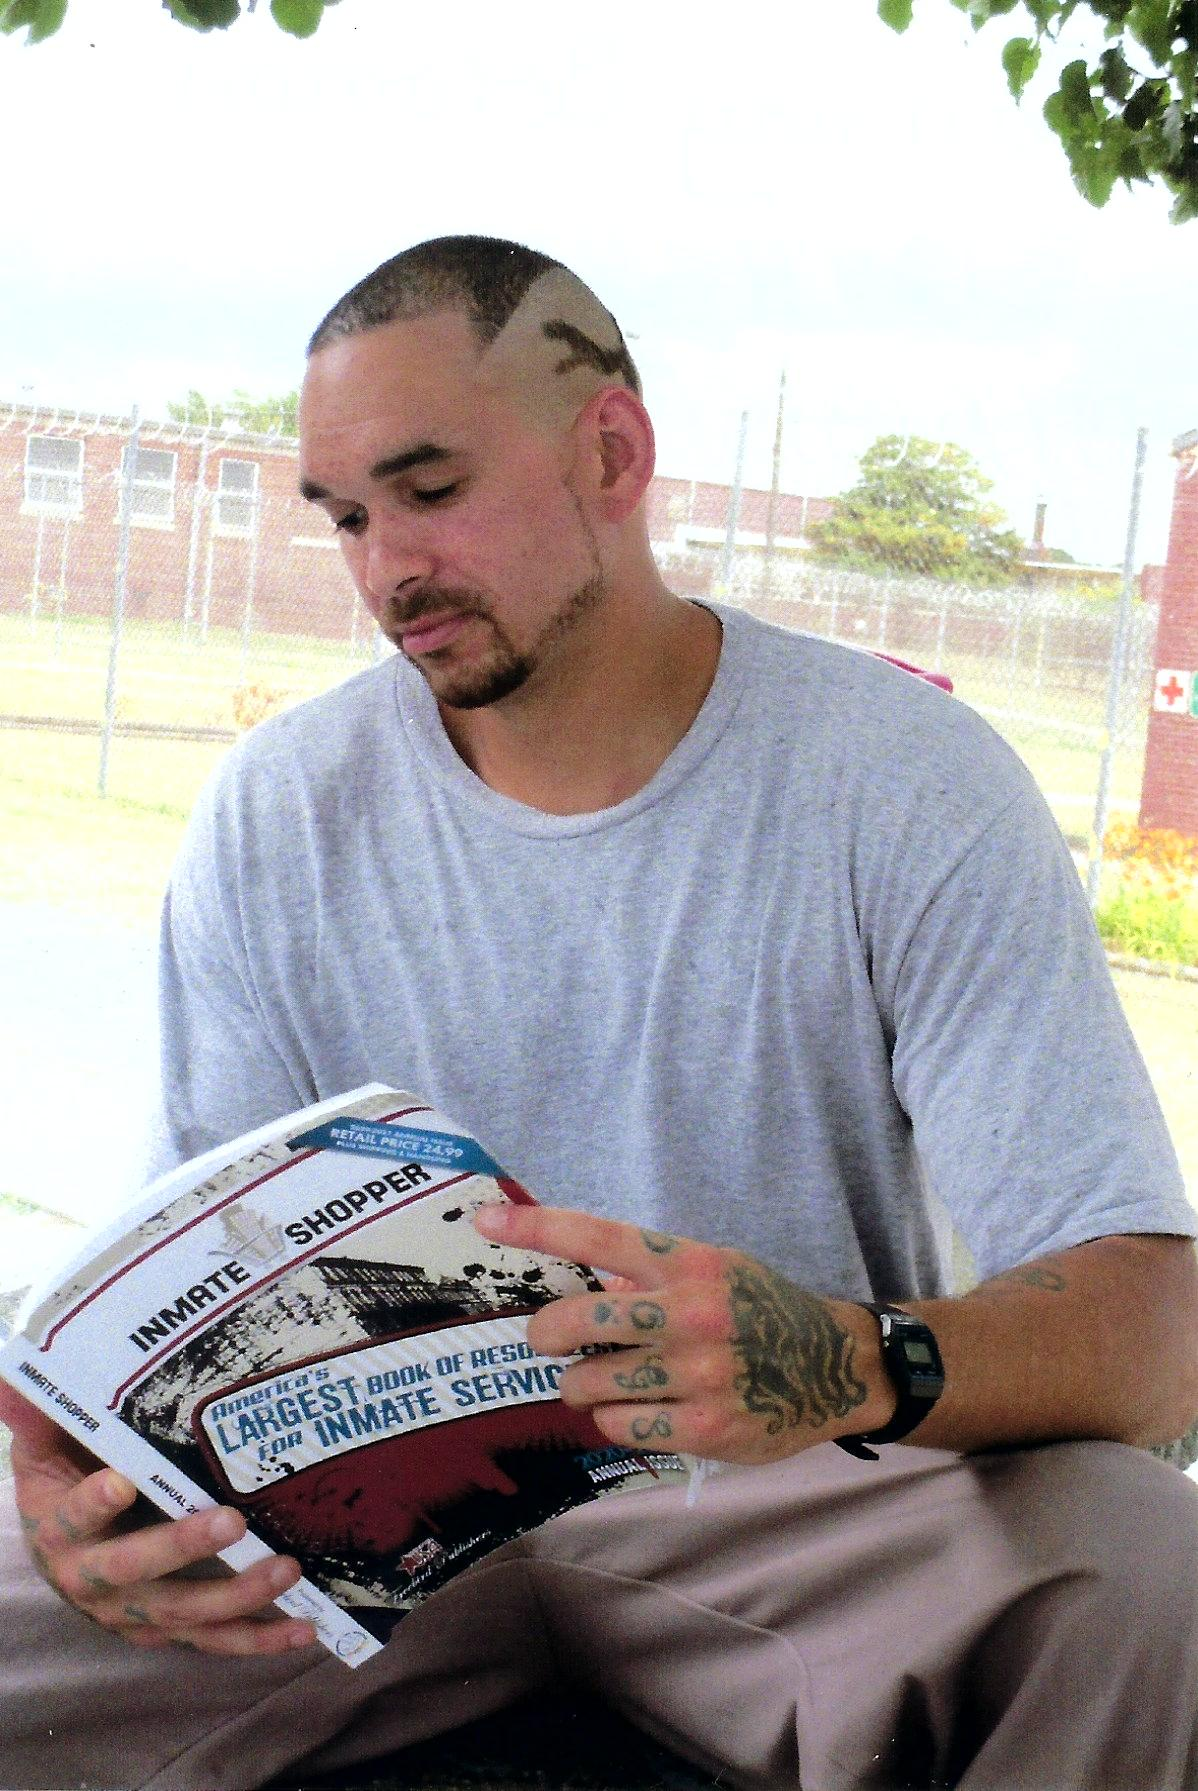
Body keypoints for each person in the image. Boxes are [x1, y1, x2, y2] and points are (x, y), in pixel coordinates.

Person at [2, 234, 1197, 1791]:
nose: (384, 568)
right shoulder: (278, 808)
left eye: (429, 490)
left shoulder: (903, 784)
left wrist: (844, 1356)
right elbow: (181, 1319)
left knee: (1144, 1563)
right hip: (362, 1538)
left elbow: (1153, 1333)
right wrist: (89, 1505)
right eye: (345, 516)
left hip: (790, 1500)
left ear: (612, 453)